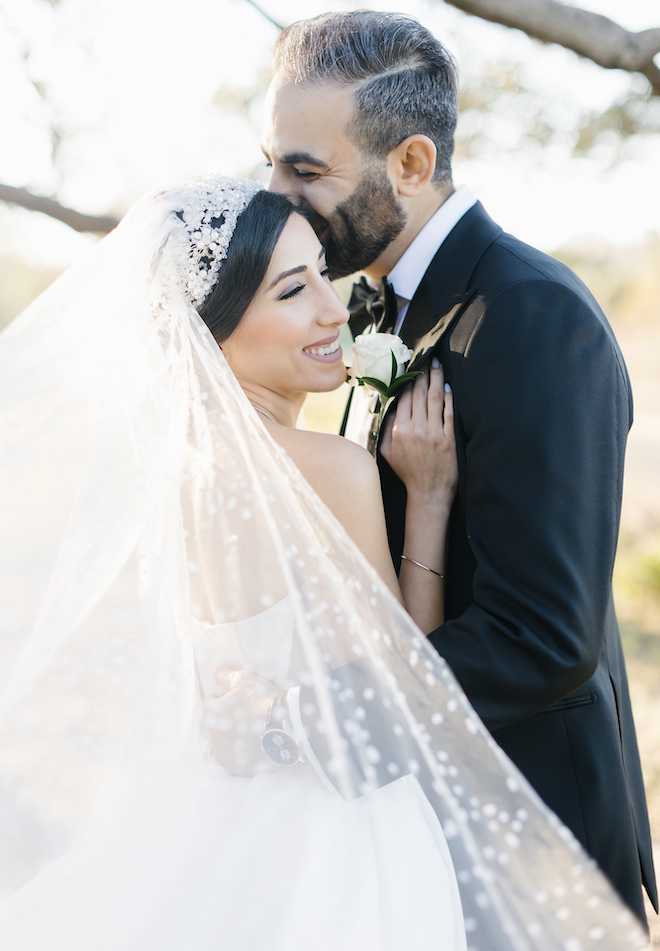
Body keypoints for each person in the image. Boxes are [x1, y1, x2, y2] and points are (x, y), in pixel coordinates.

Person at [0, 175, 649, 950]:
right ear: (212, 328)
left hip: (219, 809)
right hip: (338, 828)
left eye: (321, 275)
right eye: (292, 290)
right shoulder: (330, 468)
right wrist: (431, 497)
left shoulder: (167, 474)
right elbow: (405, 666)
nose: (334, 308)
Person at [261, 9, 657, 925]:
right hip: (425, 824)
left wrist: (322, 721)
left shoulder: (534, 318)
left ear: (411, 164)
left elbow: (543, 638)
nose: (277, 194)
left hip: (529, 838)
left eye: (305, 170)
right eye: (273, 161)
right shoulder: (368, 310)